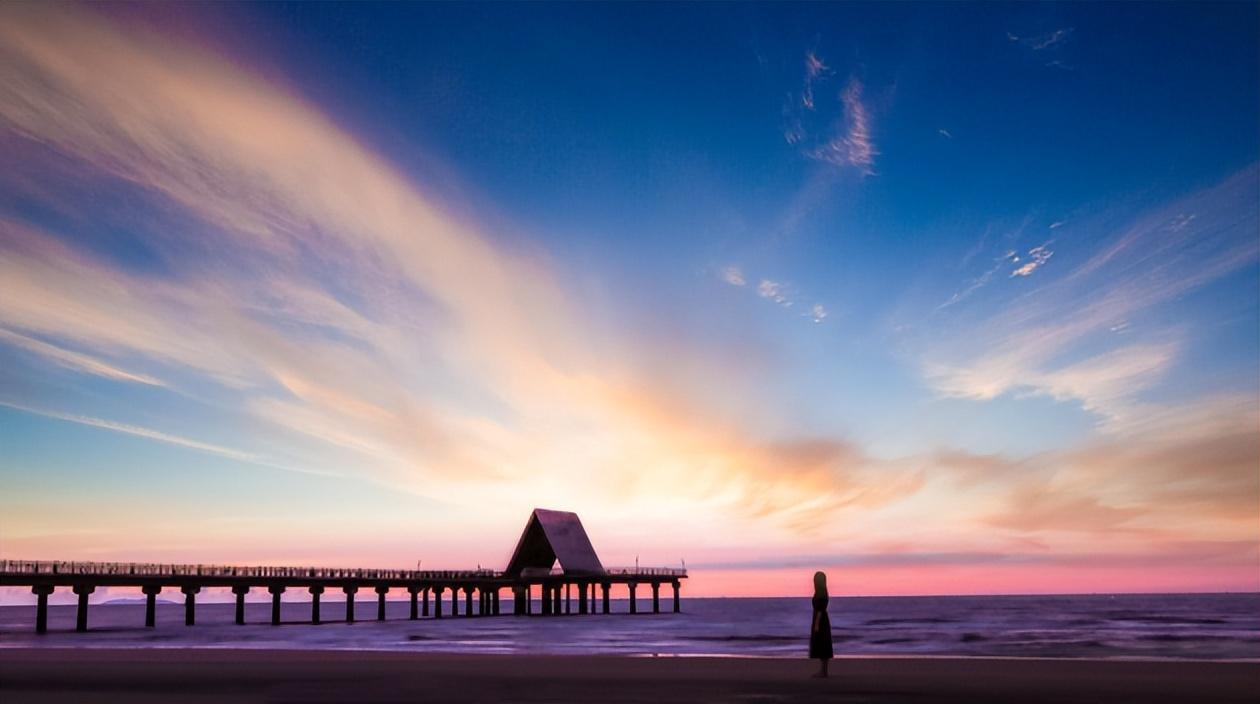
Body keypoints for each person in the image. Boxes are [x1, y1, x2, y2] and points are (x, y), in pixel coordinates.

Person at [809, 570, 833, 677]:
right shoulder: (824, 592)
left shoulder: (820, 593)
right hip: (824, 620)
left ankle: (823, 671)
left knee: (822, 645)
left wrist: (816, 624)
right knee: (824, 645)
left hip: (820, 620)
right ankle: (824, 670)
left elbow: (820, 609)